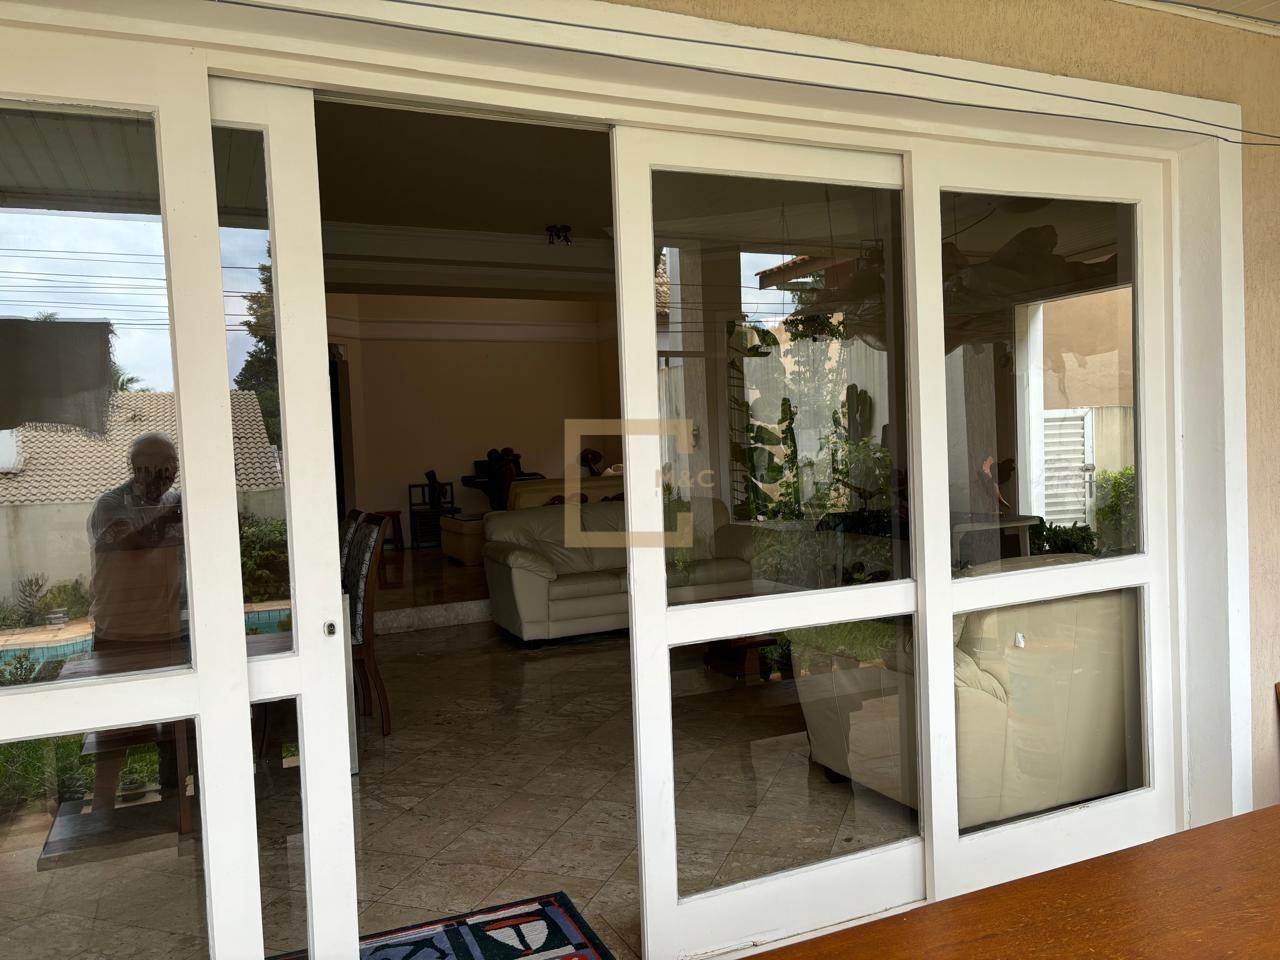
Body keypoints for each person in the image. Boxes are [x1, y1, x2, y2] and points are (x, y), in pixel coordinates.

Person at [86, 431, 186, 810]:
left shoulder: (175, 503)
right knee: (114, 732)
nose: (163, 477)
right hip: (120, 634)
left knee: (175, 730)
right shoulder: (110, 505)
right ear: (135, 467)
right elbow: (129, 546)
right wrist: (171, 517)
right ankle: (103, 810)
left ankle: (176, 807)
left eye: (170, 469)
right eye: (155, 469)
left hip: (167, 632)